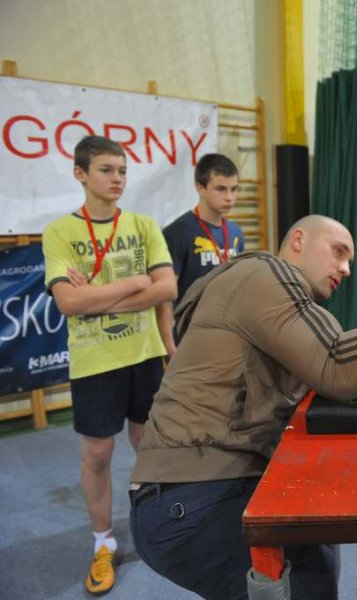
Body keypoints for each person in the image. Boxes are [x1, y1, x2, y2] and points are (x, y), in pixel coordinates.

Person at [129, 214, 357, 600]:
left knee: (320, 550)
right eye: (338, 252)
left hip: (188, 497)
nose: (345, 269)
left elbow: (339, 364)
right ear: (298, 239)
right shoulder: (265, 275)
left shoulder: (256, 290)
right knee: (312, 577)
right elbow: (338, 366)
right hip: (194, 500)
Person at [42, 135, 177, 595]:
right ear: (81, 174)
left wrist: (95, 298)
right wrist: (136, 281)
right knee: (98, 454)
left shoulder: (142, 225)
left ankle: (157, 524)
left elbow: (168, 289)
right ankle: (103, 543)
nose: (116, 178)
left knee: (149, 444)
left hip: (144, 355)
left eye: (121, 170)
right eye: (105, 169)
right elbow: (66, 301)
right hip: (94, 362)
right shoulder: (60, 232)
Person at [157, 153, 246, 355]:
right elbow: (164, 298)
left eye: (234, 189)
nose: (230, 197)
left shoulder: (236, 233)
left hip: (226, 333)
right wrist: (169, 346)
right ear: (200, 188)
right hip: (189, 336)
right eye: (221, 189)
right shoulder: (178, 232)